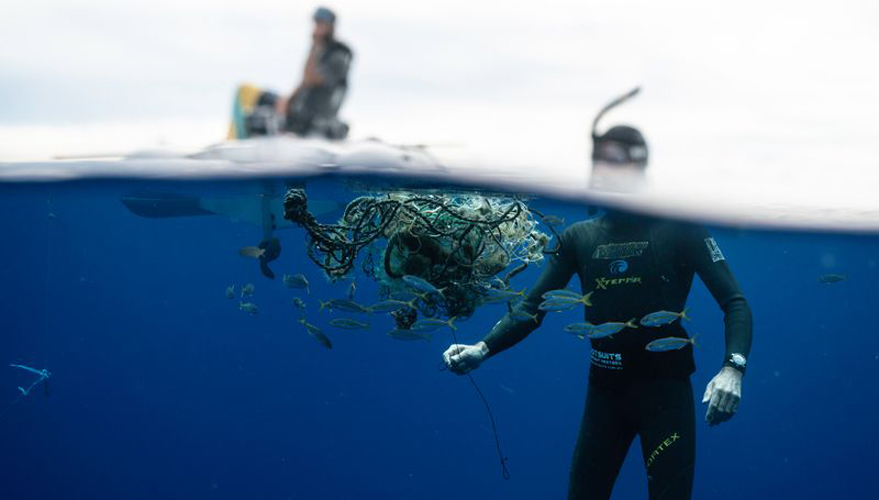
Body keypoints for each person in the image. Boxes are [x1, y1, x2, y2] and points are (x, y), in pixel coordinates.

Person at [443, 125, 753, 500]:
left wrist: (732, 368)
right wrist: (483, 348)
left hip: (666, 393)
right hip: (605, 394)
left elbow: (734, 302)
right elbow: (532, 307)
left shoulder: (682, 229)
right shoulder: (578, 237)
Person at [277, 6, 353, 139]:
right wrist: (288, 100)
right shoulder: (321, 50)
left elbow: (311, 77)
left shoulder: (340, 54)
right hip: (299, 109)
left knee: (245, 93)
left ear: (331, 26)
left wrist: (315, 48)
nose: (316, 27)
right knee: (245, 94)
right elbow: (305, 81)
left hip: (314, 117)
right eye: (316, 23)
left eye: (321, 24)